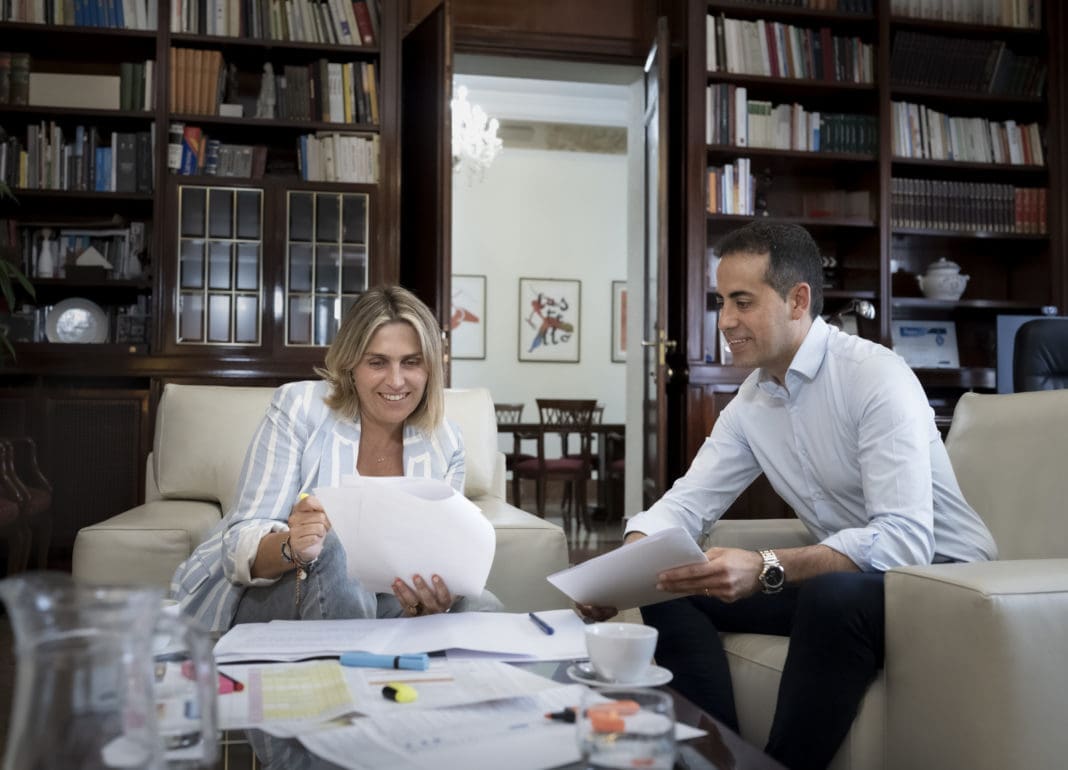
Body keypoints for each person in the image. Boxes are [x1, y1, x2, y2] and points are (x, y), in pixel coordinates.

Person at [581, 221, 996, 770]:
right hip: (852, 587)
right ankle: (714, 758)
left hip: (945, 583)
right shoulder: (751, 403)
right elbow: (685, 503)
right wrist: (623, 569)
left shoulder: (875, 377)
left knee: (832, 595)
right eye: (722, 302)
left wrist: (766, 566)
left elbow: (905, 541)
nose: (724, 320)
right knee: (671, 584)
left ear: (797, 300)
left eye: (743, 301)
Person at [172, 285, 501, 635]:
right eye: (377, 362)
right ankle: (355, 668)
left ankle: (398, 660)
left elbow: (439, 556)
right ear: (350, 365)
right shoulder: (298, 407)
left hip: (382, 600)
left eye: (411, 362)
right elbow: (237, 548)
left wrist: (431, 599)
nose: (396, 381)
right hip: (273, 592)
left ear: (430, 368)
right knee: (337, 547)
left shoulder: (446, 441)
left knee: (481, 606)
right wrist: (294, 546)